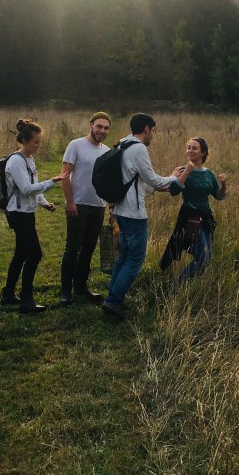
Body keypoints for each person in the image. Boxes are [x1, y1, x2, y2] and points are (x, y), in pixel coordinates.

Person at [101, 113, 187, 320]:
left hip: (121, 209)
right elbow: (153, 180)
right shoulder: (138, 148)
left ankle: (113, 295)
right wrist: (173, 178)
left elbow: (138, 179)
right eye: (153, 131)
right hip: (134, 213)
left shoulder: (123, 144)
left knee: (123, 256)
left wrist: (166, 182)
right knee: (135, 259)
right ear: (147, 129)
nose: (153, 135)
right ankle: (113, 301)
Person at [0, 118, 65, 314]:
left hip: (27, 212)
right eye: (36, 142)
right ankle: (26, 300)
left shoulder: (29, 159)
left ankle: (8, 293)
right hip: (18, 214)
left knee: (21, 253)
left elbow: (33, 187)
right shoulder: (16, 161)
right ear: (24, 141)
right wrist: (52, 181)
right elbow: (27, 189)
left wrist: (44, 203)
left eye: (40, 142)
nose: (38, 146)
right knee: (34, 254)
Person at [59, 112, 112, 305]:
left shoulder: (107, 151)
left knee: (88, 248)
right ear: (91, 125)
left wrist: (111, 205)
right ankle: (65, 290)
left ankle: (80, 286)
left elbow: (107, 182)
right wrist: (70, 202)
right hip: (78, 205)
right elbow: (64, 175)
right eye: (99, 126)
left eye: (106, 128)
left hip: (98, 206)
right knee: (73, 247)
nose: (102, 131)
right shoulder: (76, 145)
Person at [159, 137, 227, 281]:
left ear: (203, 152)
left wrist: (224, 185)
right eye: (189, 148)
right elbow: (174, 191)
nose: (190, 151)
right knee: (202, 257)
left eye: (194, 148)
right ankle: (177, 285)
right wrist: (187, 172)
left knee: (207, 257)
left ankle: (185, 285)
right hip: (190, 219)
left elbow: (218, 196)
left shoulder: (208, 173)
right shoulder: (182, 170)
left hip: (206, 218)